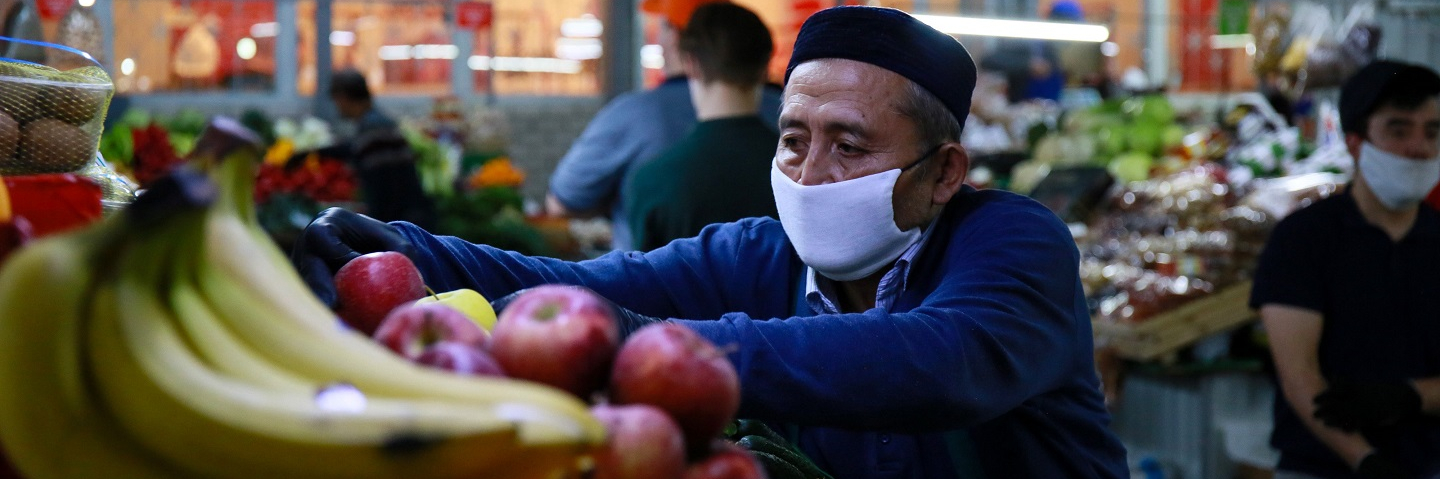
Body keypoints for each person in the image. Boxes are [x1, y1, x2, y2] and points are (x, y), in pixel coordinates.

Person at [292, 6, 1128, 478]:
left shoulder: (1015, 241)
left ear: (945, 171)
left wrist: (663, 347)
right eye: (793, 138)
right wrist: (397, 250)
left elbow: (939, 360)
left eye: (850, 145)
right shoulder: (760, 254)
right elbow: (570, 280)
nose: (809, 171)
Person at [1250, 60, 1440, 479]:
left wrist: (1408, 397)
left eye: (1432, 131)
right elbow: (1300, 377)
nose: (1419, 147)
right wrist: (1365, 459)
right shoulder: (1303, 239)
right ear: (1355, 142)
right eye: (1398, 129)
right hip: (1320, 466)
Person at [544, 0, 783, 252]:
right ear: (764, 64)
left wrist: (623, 200)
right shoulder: (792, 154)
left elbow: (562, 202)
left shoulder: (651, 178)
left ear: (688, 56)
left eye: (664, 27)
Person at [621, 2, 779, 251]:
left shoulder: (653, 181)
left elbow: (645, 282)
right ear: (765, 67)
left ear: (691, 64)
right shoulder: (796, 172)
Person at [320, 69, 435, 229]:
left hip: (402, 221)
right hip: (408, 218)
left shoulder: (374, 129)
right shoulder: (376, 124)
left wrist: (377, 228)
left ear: (343, 98)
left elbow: (384, 189)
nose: (337, 106)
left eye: (336, 100)